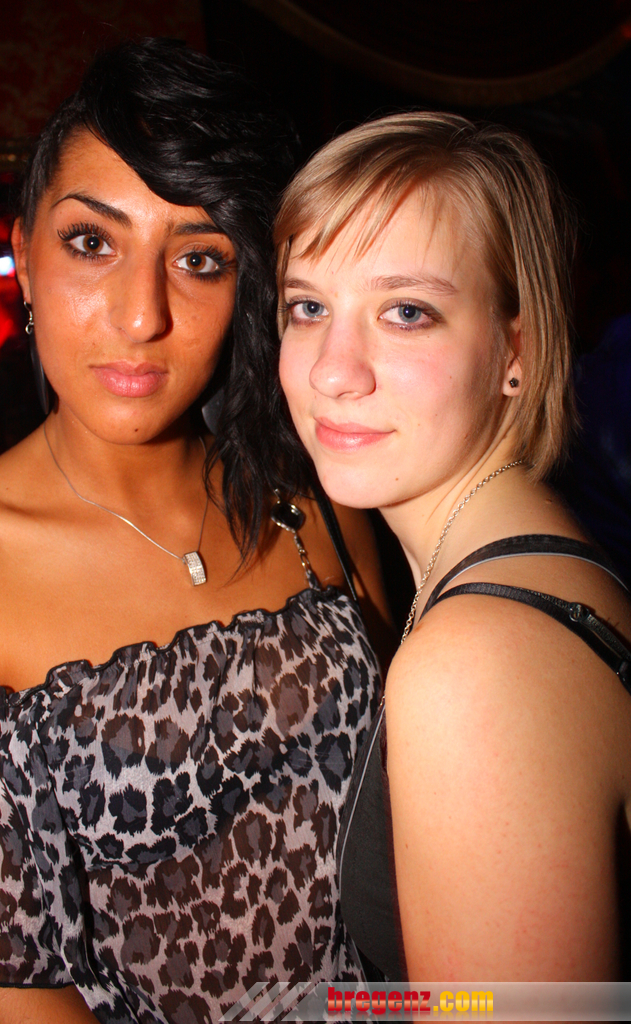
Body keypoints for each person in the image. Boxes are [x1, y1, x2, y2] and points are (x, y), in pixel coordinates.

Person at [0, 40, 390, 1023]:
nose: (141, 314)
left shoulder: (314, 498)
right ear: (24, 255)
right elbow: (12, 988)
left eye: (199, 259)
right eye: (91, 242)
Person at [275, 111, 631, 982]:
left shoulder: (474, 664)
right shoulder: (539, 560)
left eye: (406, 312)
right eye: (308, 307)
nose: (331, 370)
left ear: (518, 348)